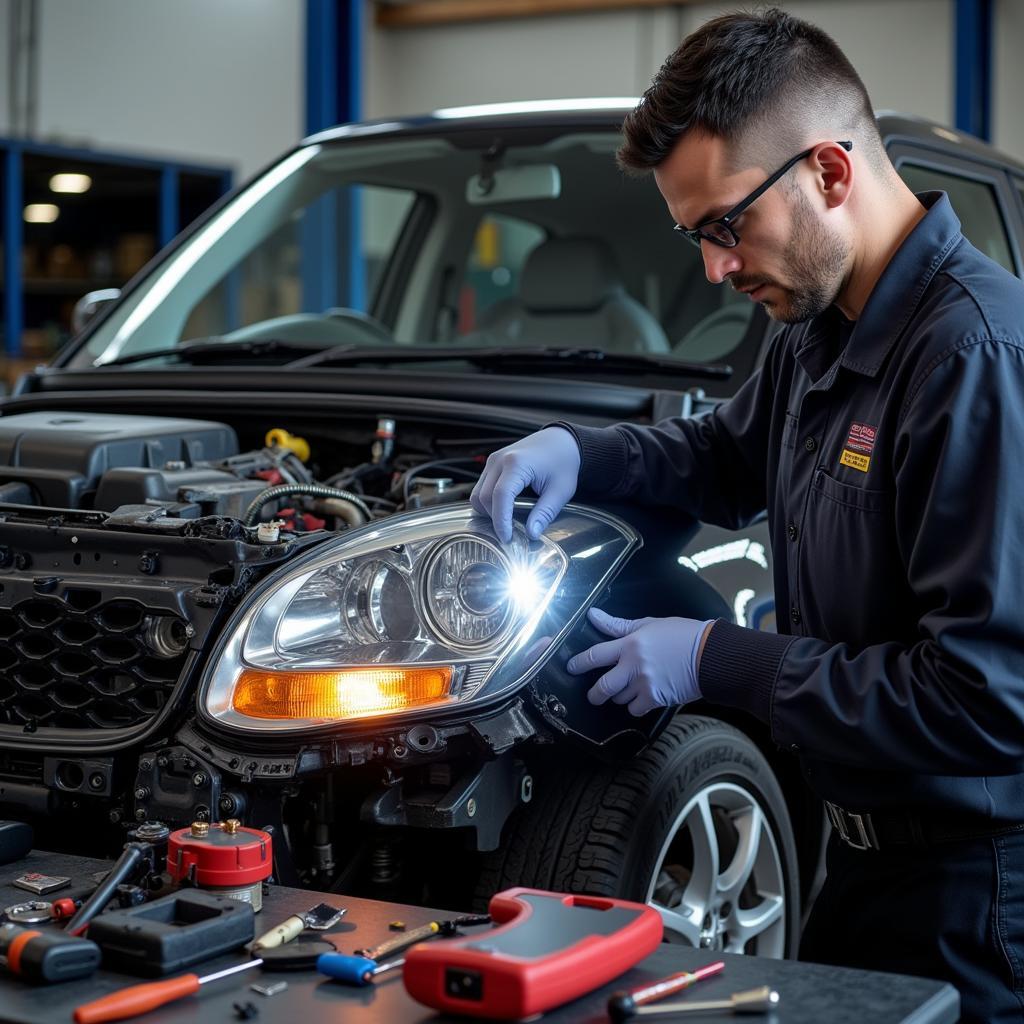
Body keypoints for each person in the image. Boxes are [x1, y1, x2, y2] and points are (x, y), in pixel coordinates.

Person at [469, 9, 1024, 1023]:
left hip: (971, 899)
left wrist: (714, 659)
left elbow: (982, 698)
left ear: (828, 171)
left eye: (726, 226)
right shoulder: (820, 324)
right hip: (849, 861)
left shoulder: (969, 359)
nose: (715, 268)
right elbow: (727, 460)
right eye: (696, 237)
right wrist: (578, 452)